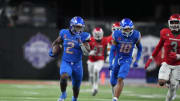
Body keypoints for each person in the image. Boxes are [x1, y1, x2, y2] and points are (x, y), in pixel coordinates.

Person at [49, 16, 91, 101]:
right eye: (77, 27)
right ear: (72, 26)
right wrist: (52, 50)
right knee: (64, 77)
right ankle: (63, 94)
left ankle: (74, 98)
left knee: (76, 87)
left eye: (80, 27)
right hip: (66, 62)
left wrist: (81, 43)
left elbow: (87, 52)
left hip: (77, 64)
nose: (79, 29)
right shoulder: (64, 33)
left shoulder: (84, 36)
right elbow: (57, 42)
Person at [145, 14, 180, 101]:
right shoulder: (165, 32)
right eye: (173, 22)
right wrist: (150, 58)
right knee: (161, 82)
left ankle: (169, 98)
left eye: (176, 22)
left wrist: (178, 56)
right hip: (167, 62)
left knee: (173, 87)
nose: (174, 24)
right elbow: (159, 46)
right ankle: (168, 81)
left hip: (178, 64)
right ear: (169, 23)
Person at [109, 18, 142, 101]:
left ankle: (115, 98)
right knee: (113, 82)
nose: (127, 31)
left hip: (127, 59)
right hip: (117, 59)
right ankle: (115, 93)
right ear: (121, 28)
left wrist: (136, 60)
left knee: (120, 78)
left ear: (132, 28)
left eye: (129, 29)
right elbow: (112, 50)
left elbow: (140, 49)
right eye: (125, 29)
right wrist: (110, 63)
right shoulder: (117, 34)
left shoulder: (136, 35)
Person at [87, 27, 109, 96]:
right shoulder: (90, 40)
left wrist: (108, 55)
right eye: (97, 34)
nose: (98, 36)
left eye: (99, 34)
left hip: (100, 60)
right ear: (93, 34)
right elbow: (86, 50)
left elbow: (108, 47)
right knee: (91, 76)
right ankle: (93, 87)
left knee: (96, 70)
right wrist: (90, 52)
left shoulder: (105, 40)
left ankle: (96, 86)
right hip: (91, 60)